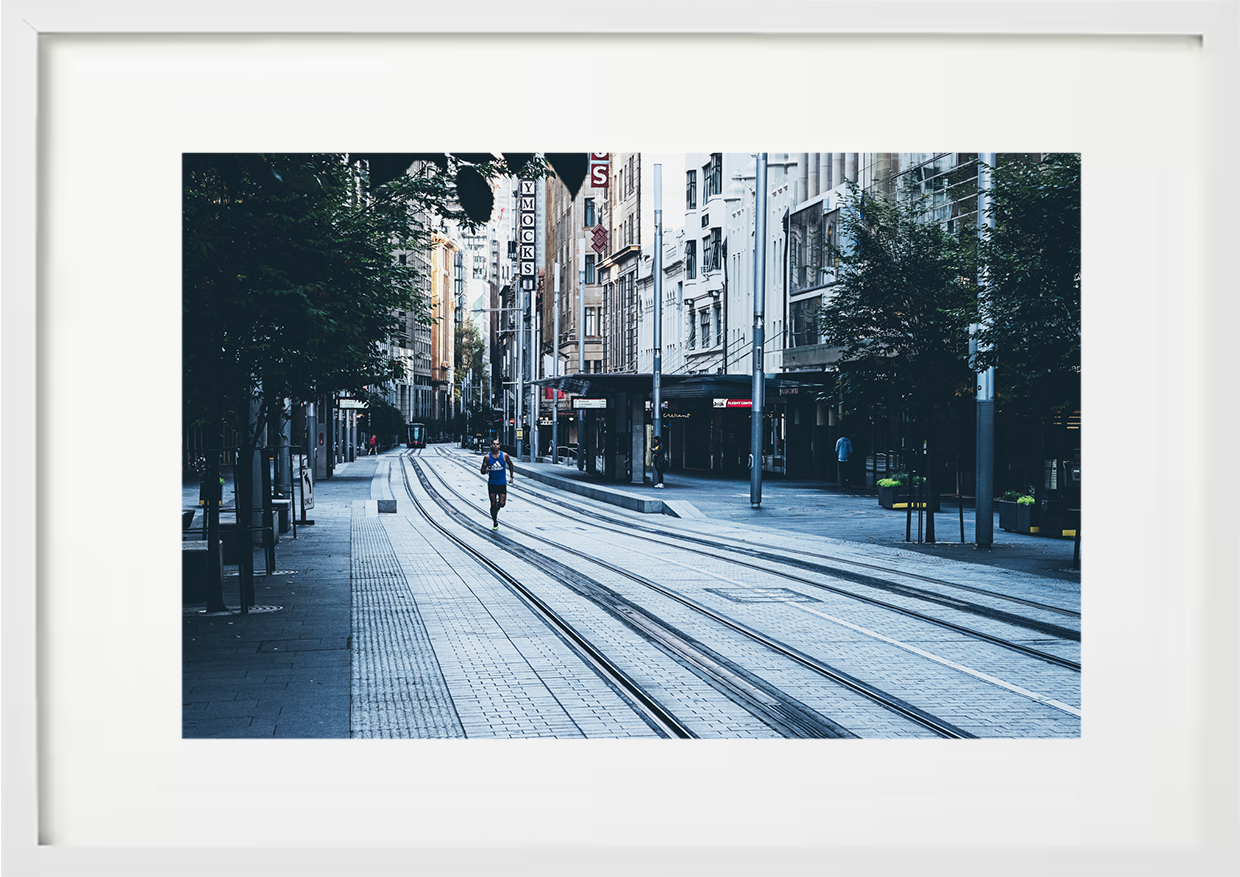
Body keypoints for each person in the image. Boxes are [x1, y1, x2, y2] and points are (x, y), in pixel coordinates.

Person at [480, 437, 515, 530]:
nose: (495, 446)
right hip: (492, 484)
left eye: (497, 444)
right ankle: (495, 522)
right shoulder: (487, 457)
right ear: (491, 445)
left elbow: (511, 464)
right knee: (492, 504)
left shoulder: (504, 455)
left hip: (502, 483)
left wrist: (511, 476)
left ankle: (498, 505)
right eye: (494, 444)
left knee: (502, 503)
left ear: (499, 445)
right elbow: (482, 470)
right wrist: (485, 470)